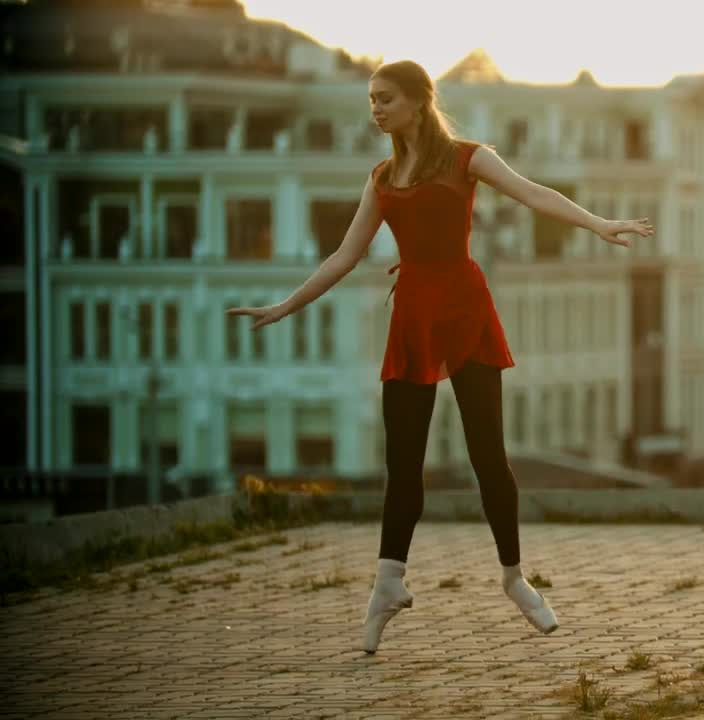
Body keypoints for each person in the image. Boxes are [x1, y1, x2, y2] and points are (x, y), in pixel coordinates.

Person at [226, 59, 655, 652]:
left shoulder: (466, 157)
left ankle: (513, 577)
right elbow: (345, 256)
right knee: (403, 464)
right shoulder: (380, 178)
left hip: (465, 310)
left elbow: (532, 194)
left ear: (418, 102)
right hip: (414, 318)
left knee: (487, 454)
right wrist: (285, 306)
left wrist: (597, 223)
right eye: (371, 99)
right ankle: (387, 582)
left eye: (385, 99)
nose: (375, 109)